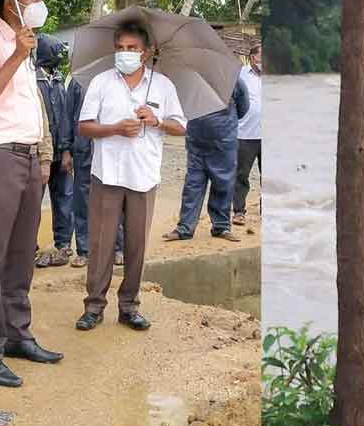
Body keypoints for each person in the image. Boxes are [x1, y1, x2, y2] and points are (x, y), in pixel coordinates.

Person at [0, 0, 64, 388]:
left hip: (25, 159)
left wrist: (42, 155)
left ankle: (16, 335)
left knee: (22, 255)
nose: (39, 1)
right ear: (11, 2)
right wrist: (14, 57)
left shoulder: (26, 45)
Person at [75, 20, 186, 332]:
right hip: (106, 174)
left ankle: (129, 306)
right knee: (101, 244)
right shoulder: (101, 82)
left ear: (147, 52)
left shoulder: (162, 86)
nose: (125, 53)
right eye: (121, 48)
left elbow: (181, 126)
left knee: (136, 246)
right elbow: (83, 127)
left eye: (132, 49)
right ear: (114, 49)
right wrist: (115, 128)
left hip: (144, 176)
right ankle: (94, 306)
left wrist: (157, 120)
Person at [161, 70, 249, 243]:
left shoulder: (233, 80)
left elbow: (243, 107)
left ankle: (221, 227)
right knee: (192, 186)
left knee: (223, 184)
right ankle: (184, 228)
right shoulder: (189, 80)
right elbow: (181, 105)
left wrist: (224, 123)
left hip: (223, 142)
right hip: (196, 141)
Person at [65, 71, 125, 269]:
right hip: (83, 151)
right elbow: (69, 117)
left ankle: (117, 247)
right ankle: (84, 250)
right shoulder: (77, 82)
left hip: (111, 151)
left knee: (114, 201)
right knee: (82, 202)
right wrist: (66, 149)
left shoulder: (119, 80)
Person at [34, 34, 74, 268]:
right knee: (33, 202)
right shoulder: (31, 80)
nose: (60, 56)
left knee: (64, 200)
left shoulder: (60, 81)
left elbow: (67, 117)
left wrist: (67, 150)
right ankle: (29, 246)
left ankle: (63, 243)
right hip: (40, 155)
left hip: (61, 152)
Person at [232, 45, 262, 226]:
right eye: (261, 56)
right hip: (244, 134)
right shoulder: (240, 74)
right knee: (241, 175)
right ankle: (238, 211)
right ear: (252, 58)